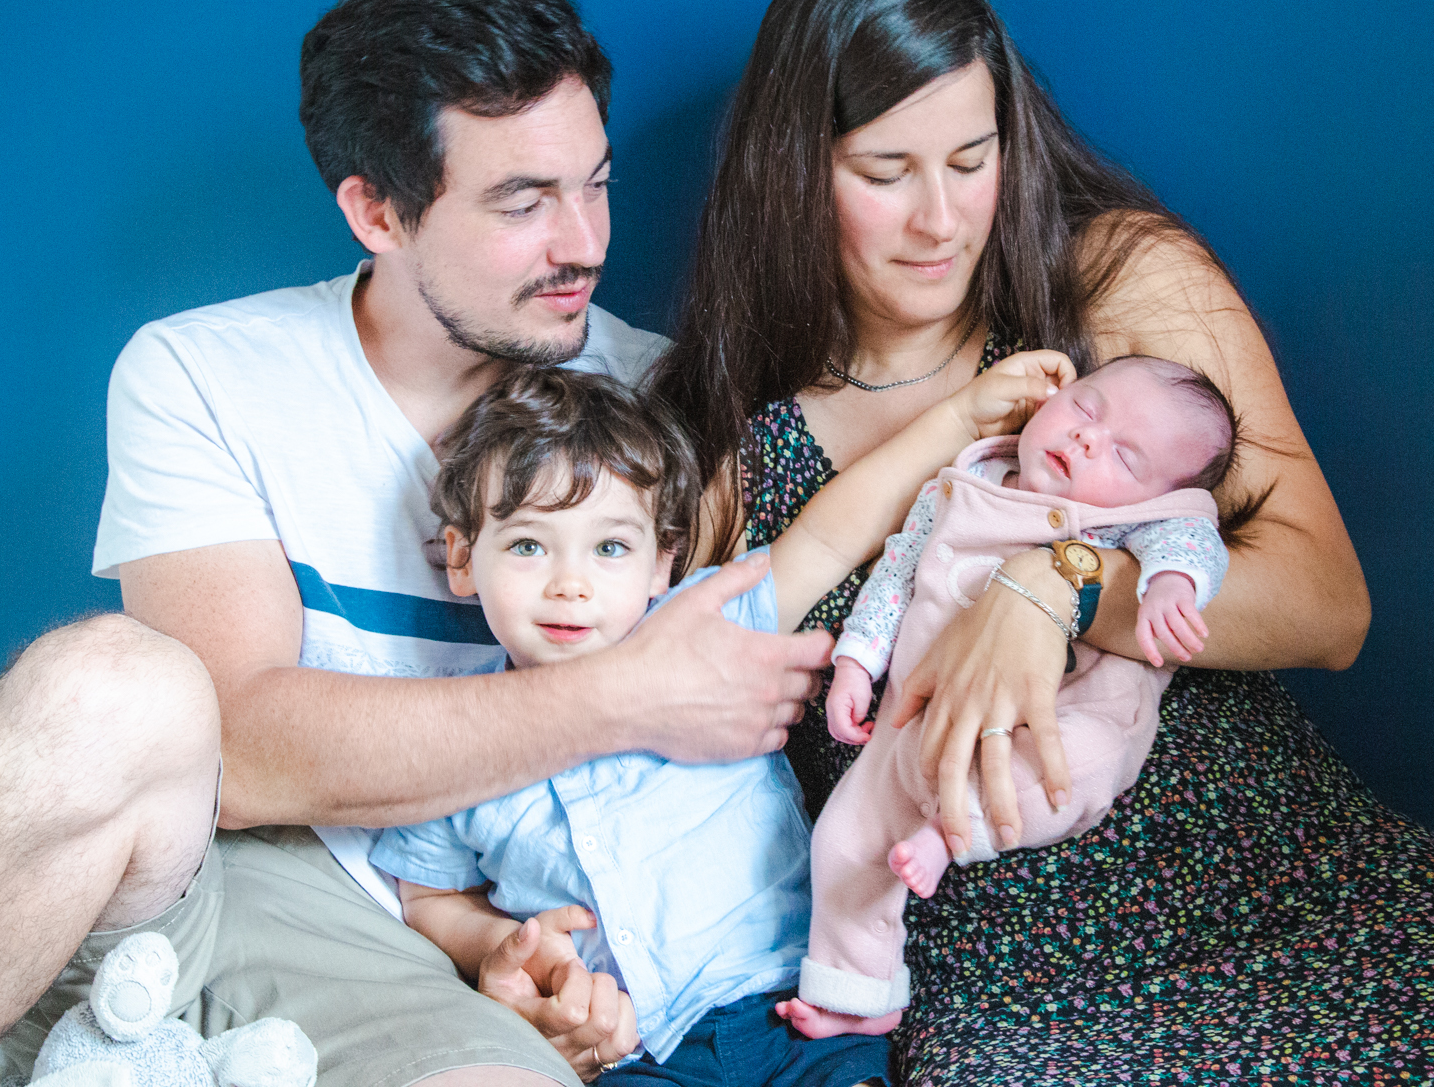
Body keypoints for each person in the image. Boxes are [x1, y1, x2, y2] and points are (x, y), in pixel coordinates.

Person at [0, 0, 832, 1087]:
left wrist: (506, 949)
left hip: (421, 943)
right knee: (104, 686)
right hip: (204, 869)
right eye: (523, 202)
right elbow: (242, 744)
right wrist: (615, 695)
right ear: (377, 211)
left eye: (595, 184)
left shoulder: (659, 403)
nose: (586, 242)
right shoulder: (206, 371)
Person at [650, 0, 1434, 1082]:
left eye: (971, 158)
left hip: (1271, 882)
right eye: (884, 171)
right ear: (790, 174)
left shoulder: (1111, 278)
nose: (940, 219)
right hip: (999, 969)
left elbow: (1326, 607)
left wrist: (1051, 588)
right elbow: (664, 732)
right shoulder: (732, 449)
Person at [367, 357, 1073, 1085]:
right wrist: (503, 943)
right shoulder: (462, 734)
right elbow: (432, 894)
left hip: (799, 1013)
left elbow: (830, 537)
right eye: (527, 545)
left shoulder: (705, 626)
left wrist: (957, 419)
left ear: (660, 563)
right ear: (461, 557)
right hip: (642, 1052)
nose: (570, 584)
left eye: (610, 548)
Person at [779, 354, 1235, 1039]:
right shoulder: (964, 482)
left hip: (1059, 713)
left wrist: (1171, 584)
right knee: (843, 840)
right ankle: (858, 991)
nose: (1087, 438)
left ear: (1156, 495)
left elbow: (1193, 539)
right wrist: (856, 661)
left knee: (1075, 765)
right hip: (917, 718)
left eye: (1126, 456)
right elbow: (898, 570)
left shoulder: (1125, 523)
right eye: (1087, 407)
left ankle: (953, 829)